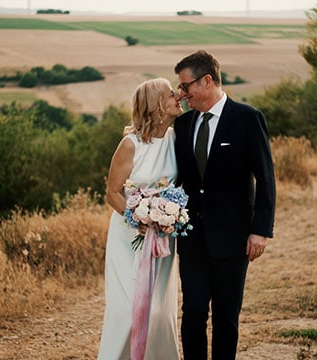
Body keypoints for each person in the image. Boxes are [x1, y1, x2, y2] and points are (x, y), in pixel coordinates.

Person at [173, 50, 276, 359]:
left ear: (207, 80)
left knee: (226, 318)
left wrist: (260, 231)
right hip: (191, 240)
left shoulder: (247, 118)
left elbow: (266, 179)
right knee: (192, 313)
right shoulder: (182, 125)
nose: (182, 94)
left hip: (232, 239)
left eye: (186, 86)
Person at [97, 78, 183, 360]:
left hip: (163, 238)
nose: (178, 97)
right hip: (128, 239)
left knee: (159, 310)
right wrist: (140, 220)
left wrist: (163, 219)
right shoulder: (130, 144)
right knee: (127, 311)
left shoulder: (175, 139)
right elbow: (112, 193)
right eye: (172, 94)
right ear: (158, 104)